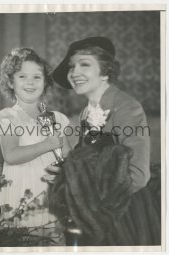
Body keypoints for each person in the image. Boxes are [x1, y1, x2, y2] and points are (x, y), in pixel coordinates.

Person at [47, 37, 161, 246]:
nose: (74, 72)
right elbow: (79, 165)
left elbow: (138, 175)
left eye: (85, 64)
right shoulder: (81, 116)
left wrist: (93, 206)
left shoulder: (127, 107)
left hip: (122, 216)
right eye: (72, 66)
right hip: (89, 217)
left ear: (105, 71)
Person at [0, 47, 70, 245]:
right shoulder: (8, 117)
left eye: (37, 77)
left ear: (45, 82)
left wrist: (64, 166)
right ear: (11, 82)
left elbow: (68, 157)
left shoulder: (59, 119)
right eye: (22, 76)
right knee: (26, 243)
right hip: (22, 193)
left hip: (51, 196)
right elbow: (11, 155)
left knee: (55, 243)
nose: (30, 82)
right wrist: (46, 144)